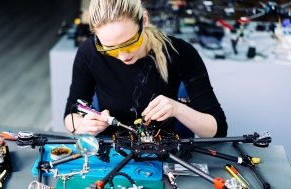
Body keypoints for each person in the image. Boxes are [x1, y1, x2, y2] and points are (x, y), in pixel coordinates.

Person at [64, 0, 227, 138]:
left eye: (130, 43)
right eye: (110, 49)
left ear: (144, 20)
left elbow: (218, 130)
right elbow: (70, 115)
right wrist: (82, 125)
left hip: (162, 152)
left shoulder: (179, 52)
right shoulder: (90, 52)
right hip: (111, 153)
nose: (123, 56)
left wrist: (178, 109)